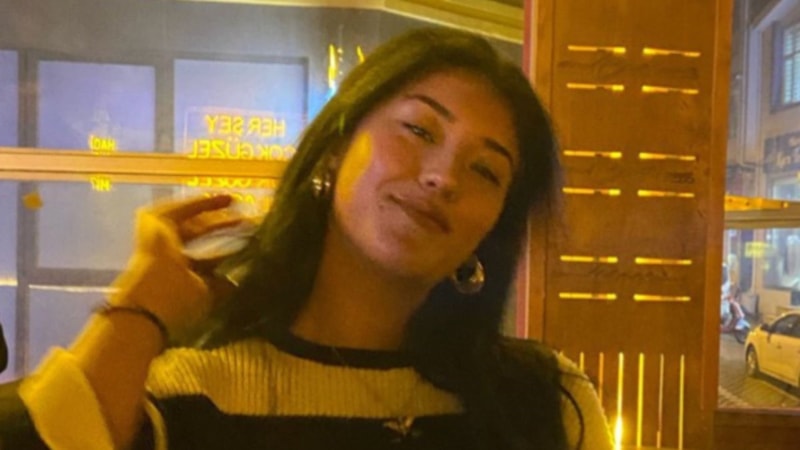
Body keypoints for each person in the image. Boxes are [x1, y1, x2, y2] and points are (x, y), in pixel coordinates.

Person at [0, 27, 613, 449]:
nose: (442, 176)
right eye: (420, 130)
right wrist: (140, 311)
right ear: (337, 145)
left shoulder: (544, 404)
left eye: (485, 170)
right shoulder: (190, 393)